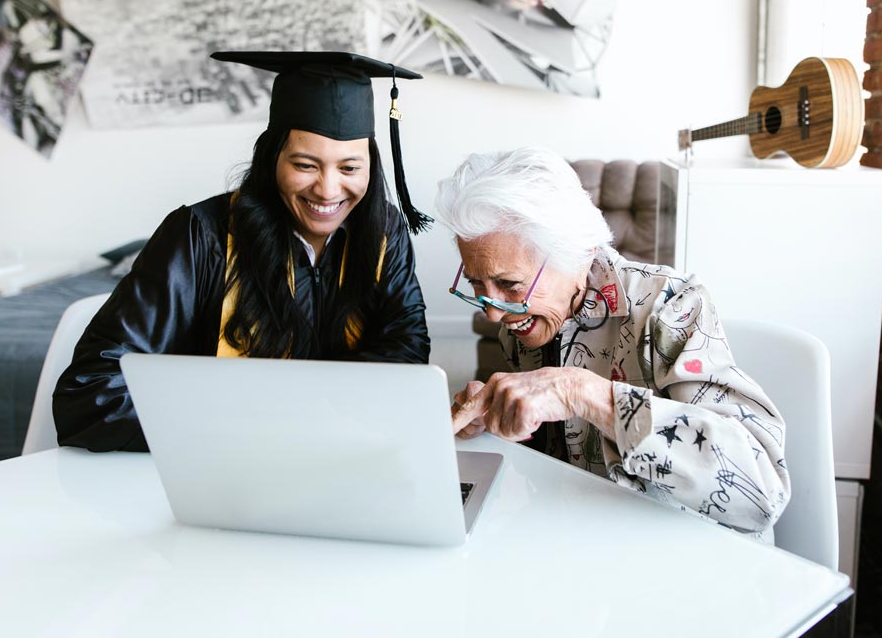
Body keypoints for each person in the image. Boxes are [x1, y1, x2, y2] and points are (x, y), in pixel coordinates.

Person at [54, 52, 433, 452]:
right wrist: (249, 427)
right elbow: (92, 394)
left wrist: (321, 419)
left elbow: (405, 351)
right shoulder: (200, 238)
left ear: (371, 167)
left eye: (350, 168)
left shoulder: (383, 233)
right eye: (305, 165)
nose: (327, 190)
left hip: (340, 457)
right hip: (214, 466)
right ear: (272, 159)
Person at [441, 147, 790, 536]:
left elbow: (762, 493)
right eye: (476, 284)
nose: (493, 314)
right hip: (585, 541)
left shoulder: (671, 306)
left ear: (579, 255)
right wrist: (497, 417)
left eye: (509, 284)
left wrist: (582, 393)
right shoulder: (523, 320)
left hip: (687, 553)